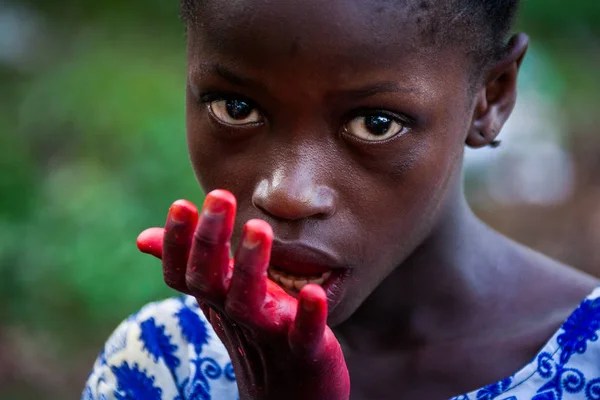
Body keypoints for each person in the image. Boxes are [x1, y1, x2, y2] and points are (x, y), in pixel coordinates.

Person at [82, 0, 600, 399]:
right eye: (236, 108)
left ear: (491, 97)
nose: (286, 193)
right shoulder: (160, 364)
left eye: (375, 124)